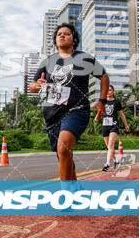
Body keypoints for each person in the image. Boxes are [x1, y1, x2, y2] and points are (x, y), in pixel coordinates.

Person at [30, 23, 109, 188]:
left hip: (76, 109)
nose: (62, 36)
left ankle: (66, 194)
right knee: (63, 154)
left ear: (74, 40)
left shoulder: (84, 58)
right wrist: (37, 85)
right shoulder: (48, 61)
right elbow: (32, 86)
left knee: (64, 147)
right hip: (52, 113)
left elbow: (104, 76)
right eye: (59, 34)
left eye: (66, 34)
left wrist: (101, 101)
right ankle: (74, 187)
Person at [96, 84, 130, 172]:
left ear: (113, 91)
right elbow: (100, 113)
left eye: (110, 90)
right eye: (107, 90)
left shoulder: (116, 102)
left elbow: (121, 114)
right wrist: (97, 117)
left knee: (111, 145)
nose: (108, 92)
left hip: (114, 125)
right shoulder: (103, 102)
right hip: (105, 125)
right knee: (109, 147)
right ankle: (116, 161)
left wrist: (126, 125)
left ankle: (107, 164)